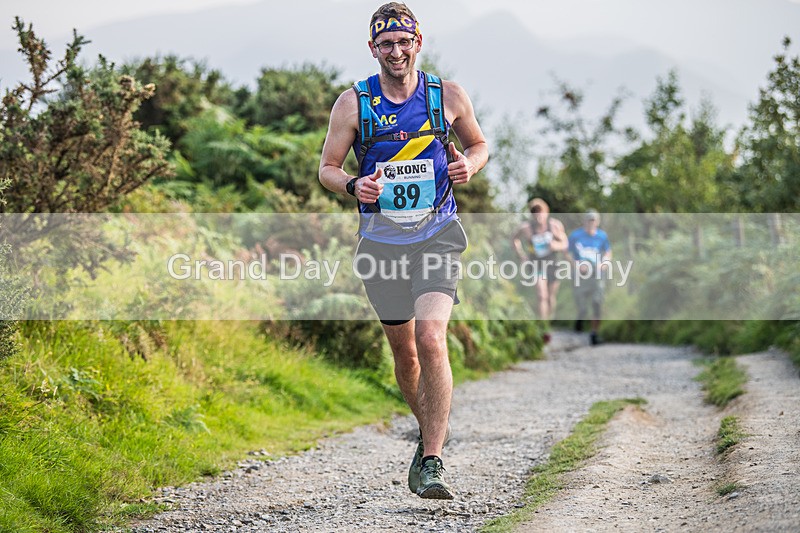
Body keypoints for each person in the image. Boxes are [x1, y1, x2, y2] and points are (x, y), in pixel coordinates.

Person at [318, 2, 488, 500]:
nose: (396, 51)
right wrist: (353, 186)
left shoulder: (447, 96)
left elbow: (479, 145)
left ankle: (432, 457)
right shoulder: (353, 104)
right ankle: (431, 427)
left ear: (418, 42)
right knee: (405, 352)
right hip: (382, 243)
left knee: (432, 337)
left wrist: (469, 168)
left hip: (437, 232)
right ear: (373, 49)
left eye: (403, 42)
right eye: (386, 44)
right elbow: (327, 167)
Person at [511, 198, 568, 340]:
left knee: (550, 297)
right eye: (534, 213)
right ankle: (544, 328)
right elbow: (514, 238)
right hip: (536, 263)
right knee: (541, 295)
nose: (538, 216)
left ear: (546, 212)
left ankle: (548, 320)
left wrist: (555, 245)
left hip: (553, 263)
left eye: (540, 212)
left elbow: (565, 243)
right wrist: (521, 255)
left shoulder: (554, 226)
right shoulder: (526, 228)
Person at [567, 209, 612, 346]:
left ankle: (594, 333)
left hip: (596, 273)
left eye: (594, 220)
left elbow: (608, 252)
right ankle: (580, 317)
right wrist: (576, 265)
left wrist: (605, 263)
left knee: (597, 302)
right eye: (589, 220)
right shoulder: (576, 236)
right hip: (580, 274)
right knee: (582, 305)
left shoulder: (602, 236)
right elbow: (567, 253)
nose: (591, 223)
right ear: (584, 221)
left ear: (597, 222)